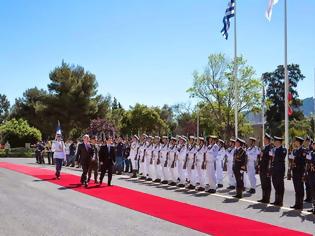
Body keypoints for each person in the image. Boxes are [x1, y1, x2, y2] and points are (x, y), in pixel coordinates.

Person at [289, 136, 307, 210]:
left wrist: (304, 173)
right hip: (295, 172)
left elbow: (304, 162)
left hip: (300, 172)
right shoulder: (295, 150)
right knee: (296, 188)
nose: (295, 142)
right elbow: (291, 158)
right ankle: (297, 204)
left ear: (299, 142)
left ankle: (300, 204)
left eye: (296, 141)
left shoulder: (303, 151)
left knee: (300, 188)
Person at [270, 136, 287, 207]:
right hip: (274, 169)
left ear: (279, 142)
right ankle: (276, 200)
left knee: (280, 185)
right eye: (274, 142)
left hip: (280, 169)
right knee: (275, 183)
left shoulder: (283, 149)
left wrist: (274, 154)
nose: (274, 143)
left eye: (276, 142)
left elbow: (281, 157)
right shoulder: (274, 149)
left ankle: (280, 201)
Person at [257, 134, 273, 203]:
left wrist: (269, 169)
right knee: (263, 183)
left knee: (267, 183)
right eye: (264, 139)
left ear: (268, 140)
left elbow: (270, 158)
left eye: (265, 140)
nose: (264, 141)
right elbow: (260, 158)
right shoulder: (263, 148)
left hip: (267, 168)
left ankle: (267, 198)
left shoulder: (270, 148)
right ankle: (263, 197)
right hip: (262, 168)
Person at [306, 141, 315, 214]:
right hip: (311, 174)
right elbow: (308, 162)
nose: (314, 145)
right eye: (313, 144)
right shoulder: (311, 152)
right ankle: (313, 208)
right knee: (312, 191)